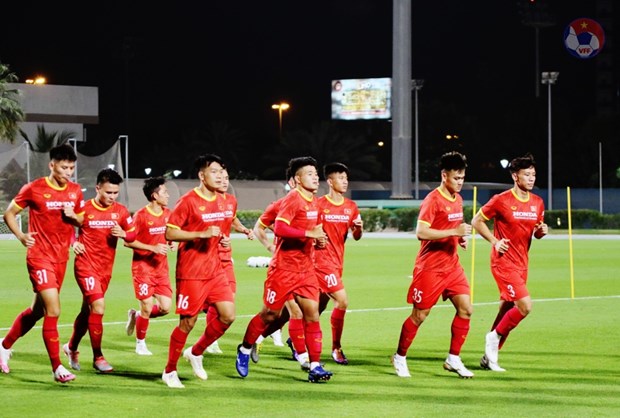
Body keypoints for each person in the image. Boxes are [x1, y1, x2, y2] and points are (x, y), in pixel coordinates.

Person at [235, 156, 333, 383]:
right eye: (310, 173)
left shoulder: (315, 202)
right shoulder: (293, 199)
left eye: (316, 173)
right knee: (270, 314)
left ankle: (315, 365)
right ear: (297, 179)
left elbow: (316, 228)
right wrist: (308, 235)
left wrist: (319, 240)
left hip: (306, 270)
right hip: (283, 269)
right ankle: (245, 348)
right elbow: (279, 227)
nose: (316, 177)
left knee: (312, 314)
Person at [0, 144, 83, 383]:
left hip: (60, 259)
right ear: (52, 165)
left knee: (37, 311)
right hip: (39, 257)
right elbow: (9, 213)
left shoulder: (75, 191)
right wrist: (21, 235)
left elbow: (81, 220)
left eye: (71, 168)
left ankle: (4, 346)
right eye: (63, 167)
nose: (68, 172)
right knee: (53, 310)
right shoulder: (34, 188)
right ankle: (57, 368)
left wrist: (73, 216)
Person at [391, 151, 474, 379]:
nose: (460, 182)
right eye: (456, 178)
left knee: (466, 309)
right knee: (419, 316)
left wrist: (459, 238)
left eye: (462, 178)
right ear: (444, 175)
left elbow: (452, 226)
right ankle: (399, 357)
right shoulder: (433, 199)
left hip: (452, 267)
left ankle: (453, 358)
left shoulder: (458, 199)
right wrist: (454, 232)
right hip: (430, 268)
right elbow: (421, 232)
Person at [161, 154, 235, 389]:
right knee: (188, 323)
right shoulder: (188, 201)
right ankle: (169, 370)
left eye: (222, 171)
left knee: (228, 315)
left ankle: (196, 352)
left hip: (215, 270)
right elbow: (170, 233)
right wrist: (200, 234)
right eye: (214, 171)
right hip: (192, 272)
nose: (220, 175)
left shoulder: (225, 201)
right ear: (202, 175)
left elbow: (220, 230)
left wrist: (221, 240)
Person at [471, 153, 547, 372]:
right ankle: (492, 338)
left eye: (533, 174)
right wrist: (495, 241)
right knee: (525, 306)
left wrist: (542, 231)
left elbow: (536, 232)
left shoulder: (537, 202)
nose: (531, 179)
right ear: (515, 176)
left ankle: (489, 358)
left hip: (523, 264)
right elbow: (477, 221)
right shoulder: (501, 200)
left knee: (507, 310)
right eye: (527, 175)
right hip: (503, 263)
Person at [63, 168, 136, 374]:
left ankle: (71, 347)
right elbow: (67, 226)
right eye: (108, 193)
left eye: (115, 193)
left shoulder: (120, 211)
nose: (112, 197)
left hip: (105, 269)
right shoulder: (84, 208)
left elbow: (132, 234)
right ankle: (98, 357)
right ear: (97, 188)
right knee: (99, 306)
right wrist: (73, 241)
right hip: (85, 266)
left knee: (88, 311)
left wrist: (123, 234)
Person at [315, 162, 363, 365]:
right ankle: (336, 348)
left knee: (317, 307)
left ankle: (297, 336)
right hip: (321, 261)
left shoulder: (351, 207)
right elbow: (309, 229)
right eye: (340, 178)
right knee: (342, 301)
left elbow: (357, 236)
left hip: (337, 262)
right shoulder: (319, 204)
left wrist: (359, 229)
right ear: (330, 181)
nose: (345, 181)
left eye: (346, 178)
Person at [204, 168, 254, 355]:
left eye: (226, 178)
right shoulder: (206, 201)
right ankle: (208, 341)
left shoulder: (231, 201)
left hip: (225, 256)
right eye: (220, 178)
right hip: (208, 257)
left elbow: (232, 219)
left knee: (228, 296)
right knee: (214, 301)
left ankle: (210, 339)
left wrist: (243, 229)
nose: (224, 181)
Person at [124, 177, 174, 356]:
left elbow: (170, 234)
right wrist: (152, 247)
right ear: (154, 195)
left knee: (165, 308)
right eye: (164, 192)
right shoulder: (140, 216)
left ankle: (136, 316)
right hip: (143, 268)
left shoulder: (168, 214)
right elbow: (128, 242)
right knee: (147, 305)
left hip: (161, 269)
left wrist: (172, 242)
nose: (168, 195)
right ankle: (140, 343)